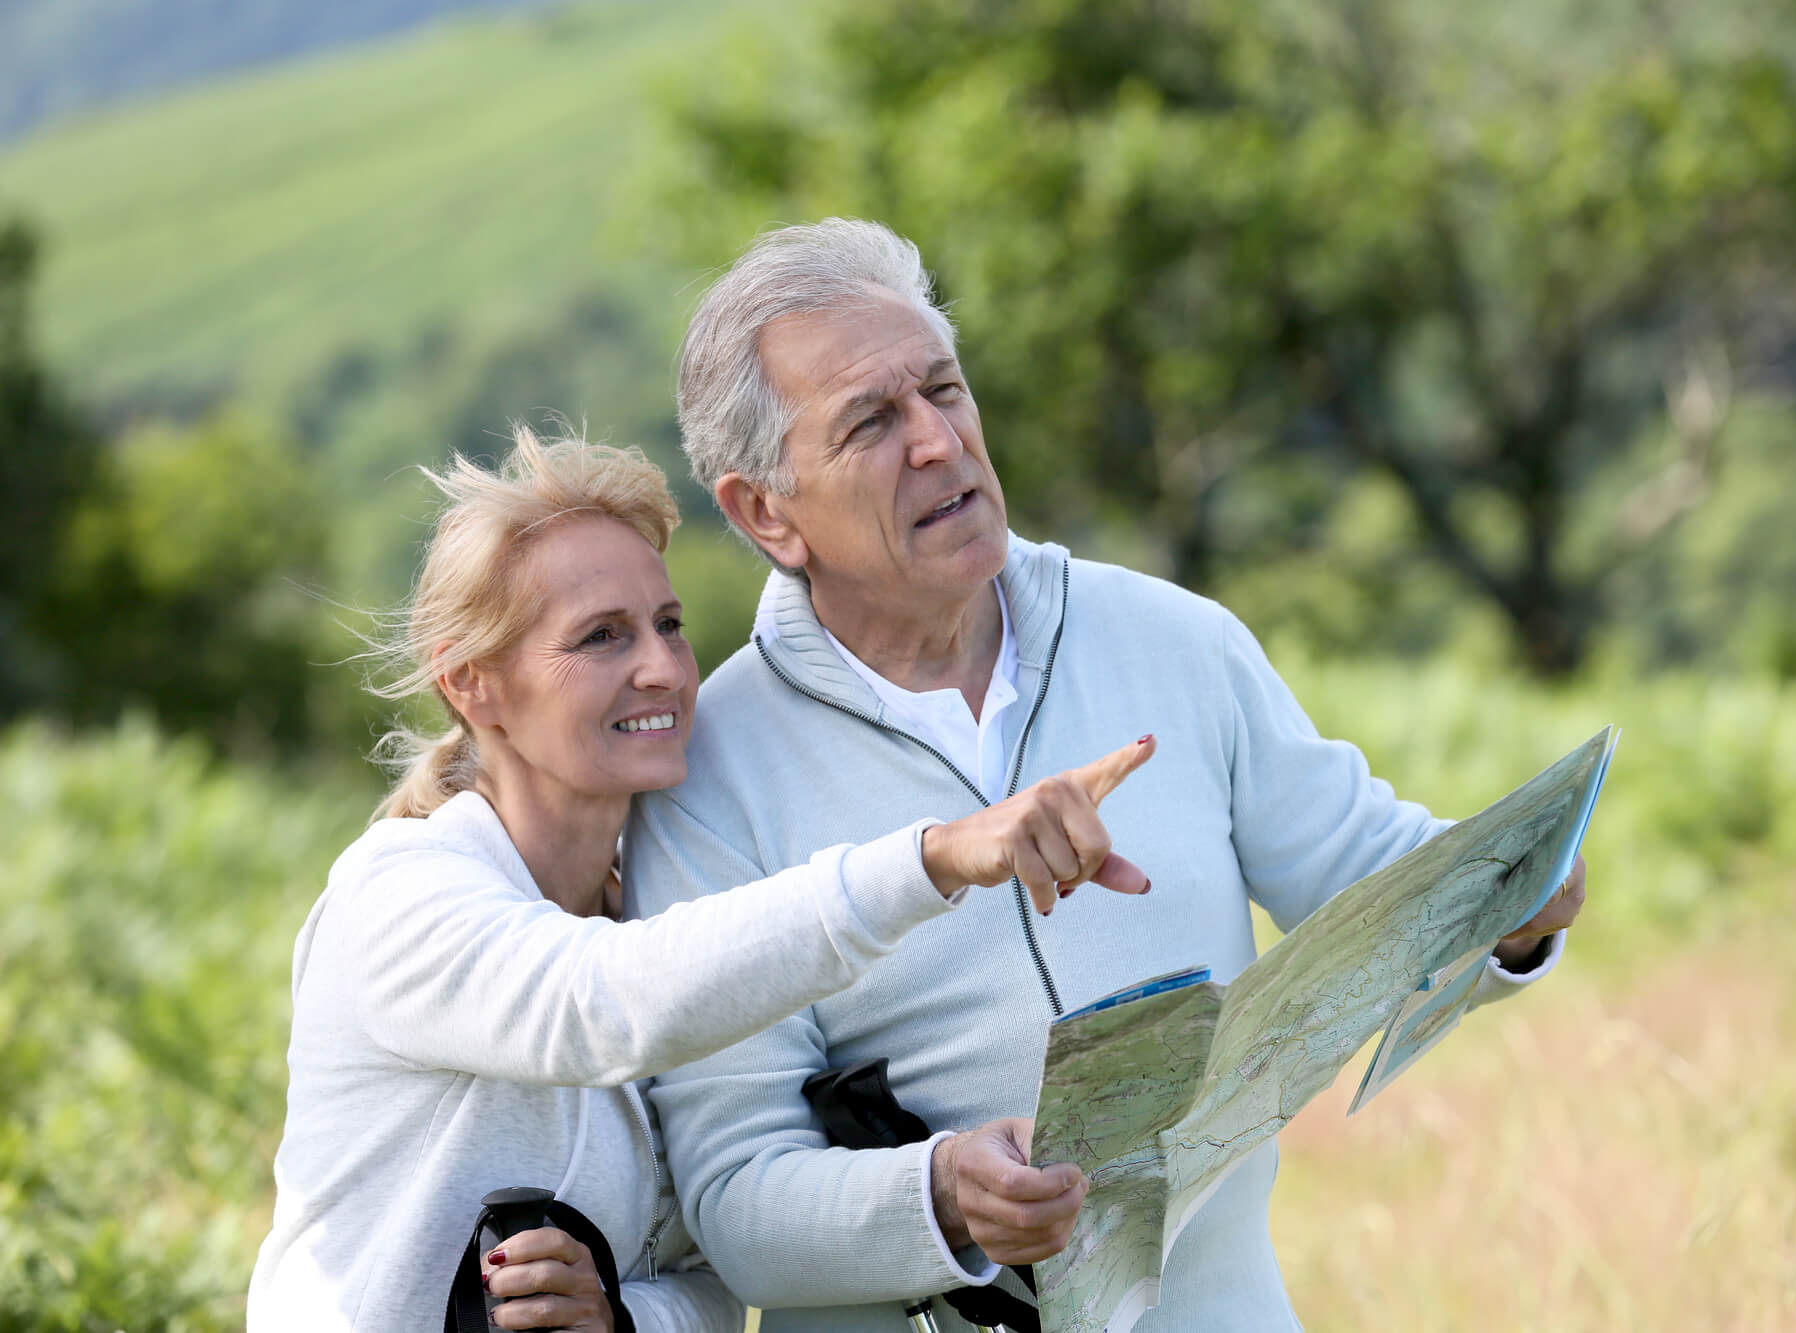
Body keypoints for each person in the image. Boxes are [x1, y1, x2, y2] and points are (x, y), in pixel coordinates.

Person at [627, 219, 1587, 1332]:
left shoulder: (1175, 638)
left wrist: (1511, 904)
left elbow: (1367, 878)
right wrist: (938, 1195)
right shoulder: (710, 774)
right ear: (763, 511)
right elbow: (737, 1202)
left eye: (944, 390)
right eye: (871, 423)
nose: (938, 442)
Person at [245, 425, 1156, 1332]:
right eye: (601, 637)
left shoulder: (657, 912)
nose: (663, 668)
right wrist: (937, 855)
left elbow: (713, 1276)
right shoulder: (398, 893)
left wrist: (619, 1313)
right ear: (472, 684)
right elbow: (605, 1004)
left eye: (669, 625)